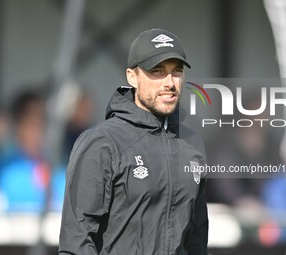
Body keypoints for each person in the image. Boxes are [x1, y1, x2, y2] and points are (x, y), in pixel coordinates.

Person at [59, 28, 208, 255]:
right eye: (157, 71)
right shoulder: (102, 143)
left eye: (176, 71)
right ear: (132, 76)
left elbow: (197, 240)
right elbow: (76, 243)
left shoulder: (192, 145)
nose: (169, 82)